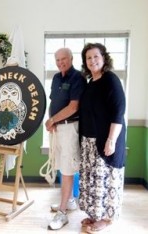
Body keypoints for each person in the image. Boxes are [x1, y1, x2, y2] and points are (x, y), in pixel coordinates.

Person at [78, 43, 126, 233]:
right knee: (93, 180)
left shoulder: (110, 80)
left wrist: (111, 140)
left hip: (106, 139)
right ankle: (93, 214)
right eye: (88, 58)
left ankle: (106, 219)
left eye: (96, 56)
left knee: (107, 179)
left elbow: (118, 112)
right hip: (89, 141)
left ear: (104, 58)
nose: (92, 60)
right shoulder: (91, 83)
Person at [45, 48, 86, 230]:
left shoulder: (77, 77)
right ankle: (69, 201)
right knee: (62, 165)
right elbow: (54, 102)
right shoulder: (55, 78)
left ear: (71, 59)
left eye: (64, 59)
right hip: (58, 128)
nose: (61, 62)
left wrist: (53, 119)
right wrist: (52, 121)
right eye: (58, 59)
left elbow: (73, 107)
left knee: (68, 169)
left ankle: (62, 213)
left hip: (70, 128)